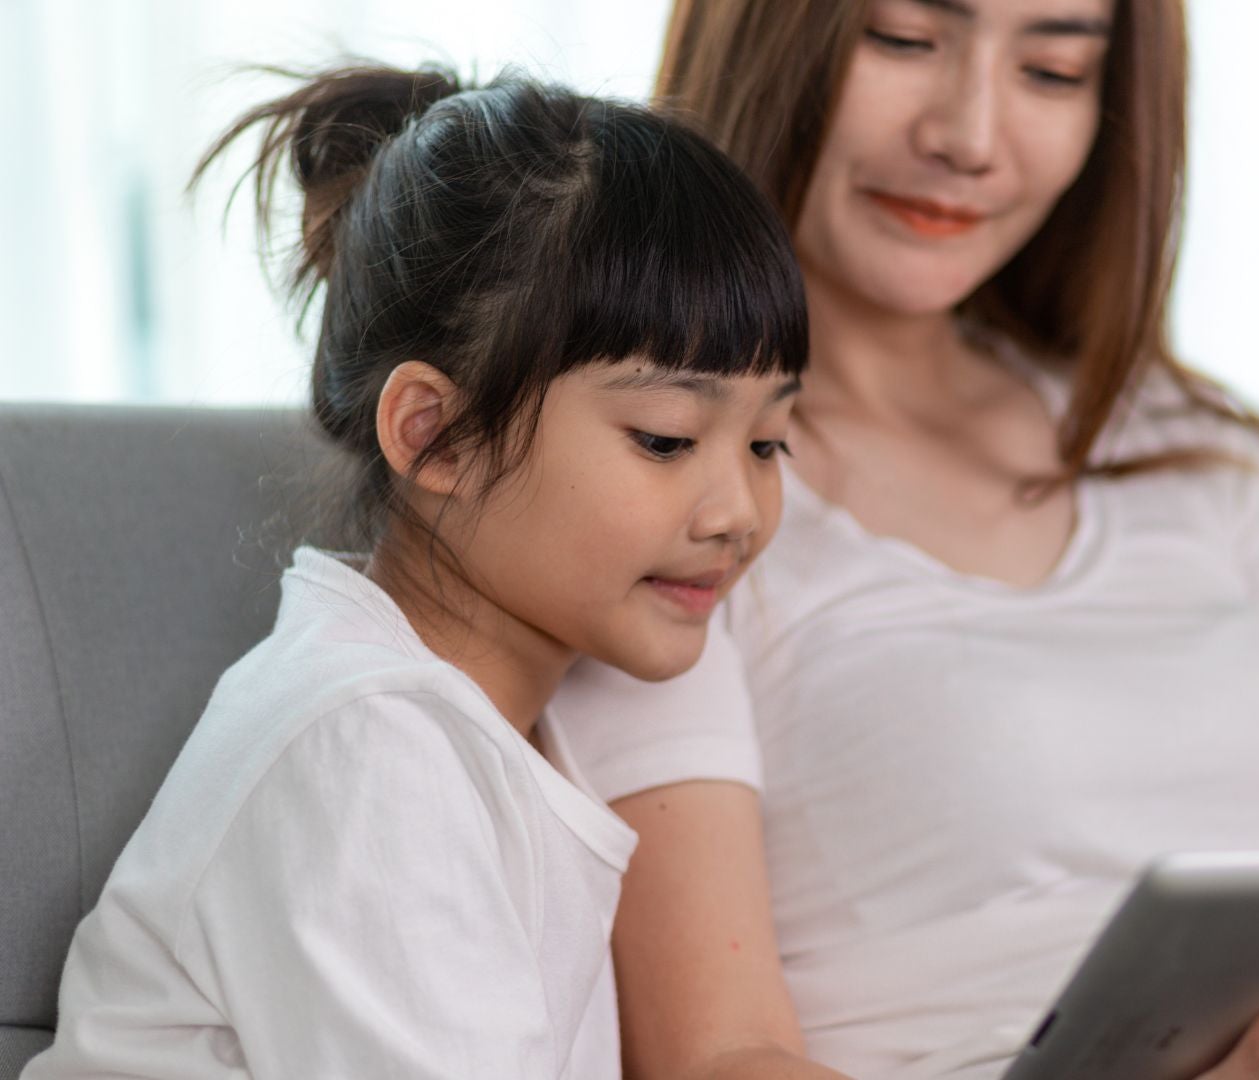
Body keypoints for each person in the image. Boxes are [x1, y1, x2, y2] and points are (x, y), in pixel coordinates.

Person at [543, 1, 1259, 1078]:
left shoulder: (1188, 448)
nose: (968, 136)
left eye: (1052, 71)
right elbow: (717, 1058)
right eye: (906, 40)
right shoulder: (667, 489)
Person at [22, 64, 808, 1079]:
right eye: (664, 439)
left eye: (769, 443)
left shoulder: (479, 723)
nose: (739, 514)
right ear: (437, 438)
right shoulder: (369, 750)